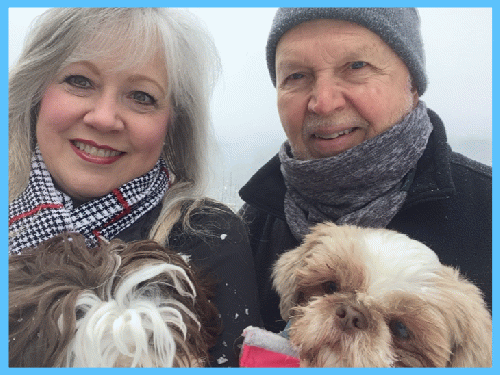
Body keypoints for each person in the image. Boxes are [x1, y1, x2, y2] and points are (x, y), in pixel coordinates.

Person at [8, 8, 261, 367]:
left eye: (141, 96)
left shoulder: (204, 236)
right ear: (35, 91)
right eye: (80, 81)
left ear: (172, 124)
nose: (104, 117)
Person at [239, 7, 492, 334]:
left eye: (356, 66)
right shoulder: (250, 225)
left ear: (412, 83)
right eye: (296, 76)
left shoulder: (488, 213)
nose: (324, 102)